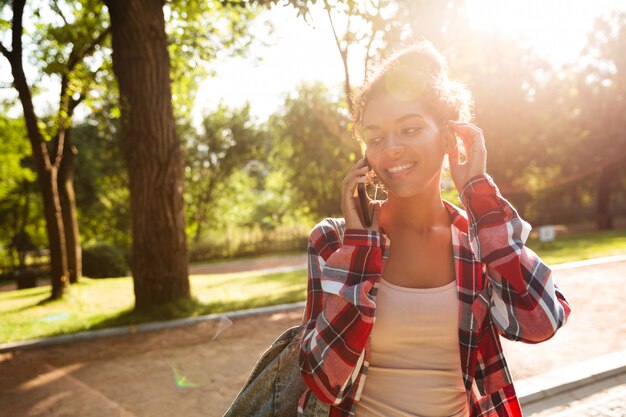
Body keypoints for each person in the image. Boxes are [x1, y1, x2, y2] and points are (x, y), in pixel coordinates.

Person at [297, 41, 571, 417]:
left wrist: (479, 198)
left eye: (409, 129)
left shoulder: (479, 240)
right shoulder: (333, 242)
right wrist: (361, 249)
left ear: (448, 138)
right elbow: (323, 381)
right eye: (375, 137)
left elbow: (538, 323)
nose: (390, 148)